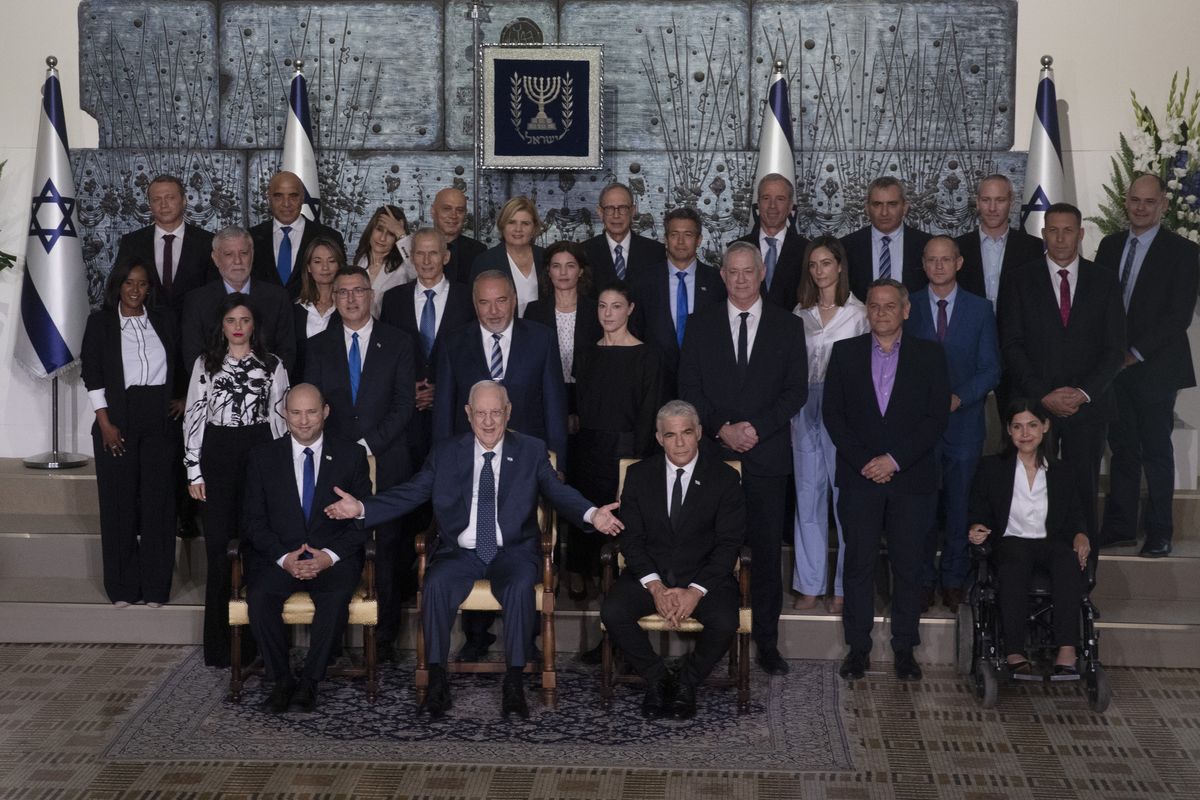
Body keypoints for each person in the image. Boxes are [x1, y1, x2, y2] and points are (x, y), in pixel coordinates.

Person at [324, 380, 623, 718]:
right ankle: (436, 681)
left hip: (512, 552)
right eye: (480, 413)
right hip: (460, 553)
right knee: (435, 584)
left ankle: (513, 683)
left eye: (496, 412)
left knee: (520, 585)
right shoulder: (446, 453)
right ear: (468, 414)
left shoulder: (530, 450)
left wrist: (592, 513)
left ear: (508, 413)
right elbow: (411, 492)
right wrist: (362, 509)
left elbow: (558, 492)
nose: (489, 421)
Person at [678, 241, 808, 675]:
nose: (740, 279)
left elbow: (797, 391)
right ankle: (707, 639)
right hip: (712, 457)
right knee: (709, 550)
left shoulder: (788, 327)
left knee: (766, 554)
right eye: (732, 272)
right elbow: (689, 389)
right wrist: (721, 429)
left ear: (762, 273)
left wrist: (756, 429)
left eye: (748, 272)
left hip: (766, 458)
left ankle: (766, 643)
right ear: (722, 276)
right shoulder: (700, 325)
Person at [432, 269, 569, 660]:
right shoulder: (455, 340)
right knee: (474, 542)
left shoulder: (540, 338)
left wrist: (558, 466)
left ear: (515, 300)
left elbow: (554, 407)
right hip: (470, 466)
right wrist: (440, 467)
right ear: (473, 303)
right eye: (484, 302)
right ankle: (477, 637)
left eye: (501, 300)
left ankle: (524, 641)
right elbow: (443, 411)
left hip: (526, 467)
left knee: (519, 548)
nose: (493, 310)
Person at [823, 279, 949, 682]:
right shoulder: (843, 354)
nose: (881, 313)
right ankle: (857, 648)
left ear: (906, 311)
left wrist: (893, 461)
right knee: (857, 565)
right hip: (860, 478)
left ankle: (904, 649)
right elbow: (833, 415)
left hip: (911, 480)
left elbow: (935, 419)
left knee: (909, 567)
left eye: (889, 306)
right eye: (874, 306)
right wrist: (867, 462)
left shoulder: (930, 356)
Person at [601, 400, 745, 719]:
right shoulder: (639, 476)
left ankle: (687, 683)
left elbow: (728, 544)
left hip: (704, 576)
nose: (679, 442)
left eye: (686, 433)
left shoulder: (723, 478)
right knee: (613, 611)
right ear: (658, 438)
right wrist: (655, 588)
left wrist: (694, 591)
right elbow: (632, 540)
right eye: (670, 435)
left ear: (700, 434)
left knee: (725, 620)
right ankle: (659, 679)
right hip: (650, 575)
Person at [304, 267, 415, 661]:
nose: (351, 299)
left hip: (386, 461)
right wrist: (343, 452)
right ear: (333, 298)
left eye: (358, 292)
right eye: (343, 292)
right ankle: (330, 639)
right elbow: (314, 409)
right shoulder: (317, 346)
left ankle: (383, 640)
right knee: (333, 544)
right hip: (332, 464)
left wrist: (367, 445)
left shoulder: (399, 342)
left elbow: (405, 407)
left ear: (371, 296)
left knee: (385, 549)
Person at [998, 203, 1125, 545]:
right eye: (1053, 230)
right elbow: (1011, 345)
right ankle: (1038, 578)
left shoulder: (1105, 280)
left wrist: (1083, 393)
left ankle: (1083, 582)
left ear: (1081, 234)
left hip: (1088, 408)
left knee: (1084, 490)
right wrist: (1043, 395)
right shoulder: (1020, 279)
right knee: (1033, 490)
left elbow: (1115, 349)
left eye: (1068, 230)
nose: (1060, 238)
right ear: (1043, 235)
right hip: (1035, 409)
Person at [243, 383, 373, 713]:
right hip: (281, 557)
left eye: (311, 412)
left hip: (332, 558)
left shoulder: (352, 455)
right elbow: (254, 521)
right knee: (259, 597)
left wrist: (327, 557)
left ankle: (310, 683)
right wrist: (285, 559)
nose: (303, 421)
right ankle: (282, 680)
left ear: (326, 412)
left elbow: (363, 519)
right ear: (285, 414)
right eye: (296, 413)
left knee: (334, 600)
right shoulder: (262, 457)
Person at [1095, 175, 1200, 557]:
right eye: (1135, 201)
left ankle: (1160, 530)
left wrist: (1134, 352)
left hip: (1156, 365)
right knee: (1121, 447)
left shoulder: (1184, 252)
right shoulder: (1109, 246)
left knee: (1156, 448)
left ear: (1163, 206)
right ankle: (1121, 526)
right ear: (1126, 202)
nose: (1141, 208)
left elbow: (1178, 316)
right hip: (1113, 367)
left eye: (1149, 202)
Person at [183, 294, 289, 667]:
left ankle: (260, 644)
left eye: (245, 319)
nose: (239, 326)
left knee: (258, 545)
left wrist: (282, 472)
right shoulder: (206, 364)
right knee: (218, 550)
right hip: (218, 455)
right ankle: (221, 647)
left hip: (260, 453)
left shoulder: (274, 366)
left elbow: (281, 419)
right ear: (222, 326)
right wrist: (193, 469)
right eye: (231, 320)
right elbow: (194, 416)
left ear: (254, 324)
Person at [904, 236, 1000, 613]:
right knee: (923, 508)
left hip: (963, 426)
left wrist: (960, 397)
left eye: (946, 260)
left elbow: (991, 369)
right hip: (919, 428)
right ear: (923, 264)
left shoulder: (980, 309)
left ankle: (954, 579)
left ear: (959, 263)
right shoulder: (907, 304)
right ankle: (924, 579)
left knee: (960, 507)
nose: (939, 266)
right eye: (932, 260)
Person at [81, 262, 180, 608]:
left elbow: (180, 363)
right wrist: (105, 424)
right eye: (129, 283)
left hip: (160, 420)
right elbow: (92, 374)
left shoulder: (165, 320)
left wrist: (182, 397)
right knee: (119, 503)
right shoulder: (101, 323)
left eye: (142, 284)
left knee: (159, 504)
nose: (135, 290)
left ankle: (155, 588)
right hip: (117, 420)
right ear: (118, 286)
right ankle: (122, 588)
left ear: (149, 288)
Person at [968, 399, 1091, 675]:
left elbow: (1075, 515)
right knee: (1014, 566)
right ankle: (1014, 650)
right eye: (1018, 427)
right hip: (1012, 541)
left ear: (1045, 427)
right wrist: (976, 527)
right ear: (1009, 432)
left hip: (1050, 541)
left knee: (1067, 563)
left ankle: (1067, 648)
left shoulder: (1063, 471)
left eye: (1032, 425)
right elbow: (978, 510)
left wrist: (1081, 534)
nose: (1025, 433)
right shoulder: (992, 468)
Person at [789, 237, 868, 614]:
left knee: (845, 501)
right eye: (813, 264)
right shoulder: (798, 314)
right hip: (803, 407)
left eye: (826, 263)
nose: (820, 271)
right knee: (808, 497)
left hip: (847, 411)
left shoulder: (860, 314)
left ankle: (843, 587)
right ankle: (809, 584)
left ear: (839, 266)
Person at [571, 282, 664, 603]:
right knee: (589, 513)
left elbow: (649, 413)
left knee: (623, 518)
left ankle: (623, 586)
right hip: (588, 450)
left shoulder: (647, 355)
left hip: (628, 451)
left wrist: (635, 463)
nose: (608, 313)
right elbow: (580, 407)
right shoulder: (586, 353)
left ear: (630, 309)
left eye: (616, 306)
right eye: (602, 306)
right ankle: (587, 575)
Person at [379, 228, 475, 474]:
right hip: (407, 415)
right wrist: (407, 389)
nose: (426, 260)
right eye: (420, 253)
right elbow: (386, 356)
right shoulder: (392, 299)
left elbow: (474, 355)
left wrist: (441, 390)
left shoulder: (468, 298)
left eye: (433, 253)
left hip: (454, 413)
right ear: (411, 257)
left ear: (446, 257)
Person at [627, 206, 726, 391]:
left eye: (688, 234)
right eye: (674, 234)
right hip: (655, 384)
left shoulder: (717, 282)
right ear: (665, 239)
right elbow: (634, 332)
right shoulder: (643, 282)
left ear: (699, 240)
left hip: (705, 385)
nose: (680, 241)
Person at [182, 226, 296, 373]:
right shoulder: (196, 301)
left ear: (252, 255)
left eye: (244, 253)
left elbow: (287, 353)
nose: (238, 261)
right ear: (216, 259)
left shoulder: (277, 297)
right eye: (229, 254)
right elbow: (193, 357)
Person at [112, 174, 216, 320]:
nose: (164, 205)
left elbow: (215, 293)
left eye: (170, 198)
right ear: (150, 205)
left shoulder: (207, 242)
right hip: (146, 332)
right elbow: (117, 290)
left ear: (184, 201)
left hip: (195, 331)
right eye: (156, 199)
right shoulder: (132, 243)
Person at [523, 240, 602, 430]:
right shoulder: (534, 311)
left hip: (588, 399)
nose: (563, 273)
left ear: (581, 271)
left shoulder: (596, 310)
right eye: (556, 266)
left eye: (570, 266)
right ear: (548, 271)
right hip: (545, 397)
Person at [249, 171, 346, 299]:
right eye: (279, 196)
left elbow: (341, 283)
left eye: (293, 196)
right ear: (269, 199)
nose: (286, 203)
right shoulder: (251, 237)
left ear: (302, 198)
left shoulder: (329, 237)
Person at [954, 174, 1044, 310]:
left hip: (1016, 329)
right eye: (985, 200)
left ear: (1011, 202)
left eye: (1000, 200)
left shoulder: (1033, 247)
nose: (992, 208)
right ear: (977, 202)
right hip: (971, 329)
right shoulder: (958, 247)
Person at [840, 176, 931, 302]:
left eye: (892, 204)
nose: (884, 212)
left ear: (904, 207)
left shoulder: (926, 245)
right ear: (867, 208)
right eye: (877, 204)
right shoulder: (846, 247)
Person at [734, 172, 810, 310]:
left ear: (790, 206)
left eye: (780, 199)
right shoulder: (737, 248)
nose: (772, 206)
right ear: (758, 203)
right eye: (766, 198)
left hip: (793, 328)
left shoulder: (807, 250)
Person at [469, 196, 545, 316]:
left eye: (525, 223)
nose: (518, 229)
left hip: (542, 331)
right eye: (511, 222)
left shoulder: (547, 258)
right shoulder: (485, 261)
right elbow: (474, 307)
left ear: (534, 228)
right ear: (502, 225)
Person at [582, 182, 665, 285]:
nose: (616, 215)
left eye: (623, 208)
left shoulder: (655, 252)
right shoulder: (584, 252)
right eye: (609, 209)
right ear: (600, 213)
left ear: (633, 211)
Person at [290, 236, 345, 383]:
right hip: (299, 391)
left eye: (331, 261)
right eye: (317, 261)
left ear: (339, 265)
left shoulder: (348, 309)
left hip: (338, 390)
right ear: (308, 267)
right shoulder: (293, 309)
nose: (325, 268)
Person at [351, 204, 414, 318]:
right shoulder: (360, 260)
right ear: (371, 229)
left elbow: (418, 270)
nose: (382, 238)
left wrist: (401, 233)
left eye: (391, 233)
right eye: (379, 229)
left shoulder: (404, 267)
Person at [431, 187, 486, 285]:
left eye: (460, 210)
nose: (453, 215)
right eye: (447, 209)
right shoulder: (418, 246)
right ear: (433, 211)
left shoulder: (479, 252)